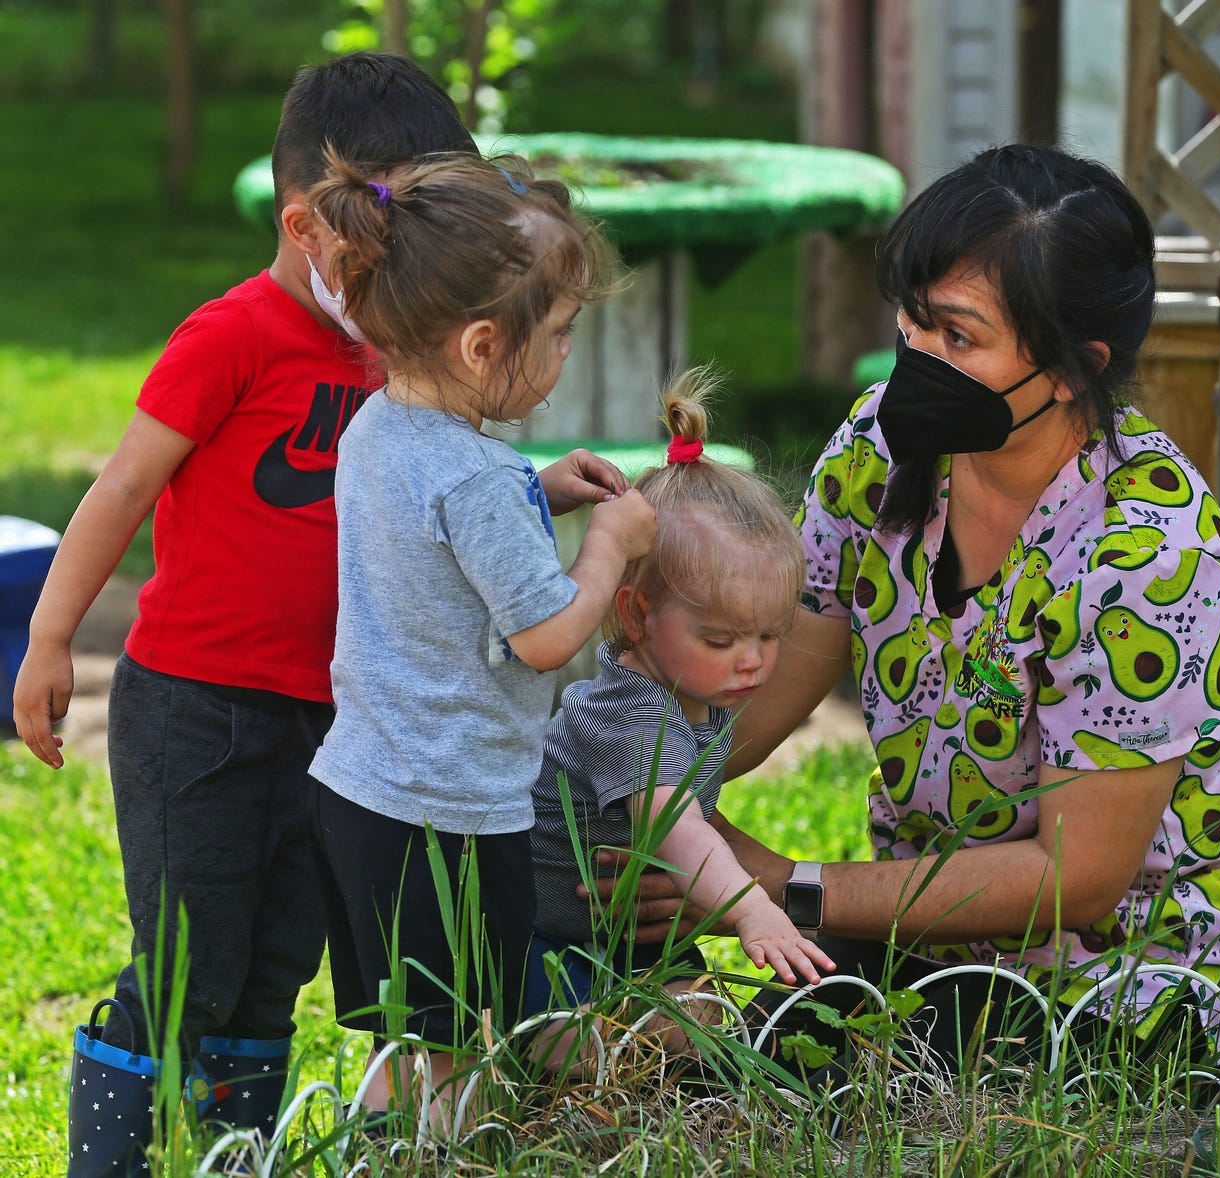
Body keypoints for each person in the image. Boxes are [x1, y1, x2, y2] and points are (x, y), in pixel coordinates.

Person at [605, 143, 1220, 1082]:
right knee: (708, 1044)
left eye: (957, 338)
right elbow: (758, 686)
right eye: (913, 322)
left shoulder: (1151, 560)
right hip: (939, 949)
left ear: (1073, 369)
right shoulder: (881, 449)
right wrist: (648, 806)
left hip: (1129, 984)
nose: (916, 359)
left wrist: (783, 887)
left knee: (772, 1065)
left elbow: (1073, 879)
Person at [10, 52, 488, 1178]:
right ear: (305, 224)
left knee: (280, 956)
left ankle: (234, 1155)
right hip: (197, 712)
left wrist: (541, 487)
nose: (414, 267)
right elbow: (120, 489)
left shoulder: (399, 354)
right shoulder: (233, 336)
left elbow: (447, 483)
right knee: (187, 954)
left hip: (330, 721)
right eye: (396, 235)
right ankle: (113, 1162)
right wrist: (43, 639)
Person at [303, 148, 656, 1135]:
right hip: (448, 818)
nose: (567, 354)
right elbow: (546, 635)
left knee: (411, 1040)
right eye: (560, 332)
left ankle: (377, 1148)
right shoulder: (479, 480)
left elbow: (433, 540)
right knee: (458, 1046)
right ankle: (429, 1160)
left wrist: (540, 493)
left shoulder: (376, 427)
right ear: (479, 345)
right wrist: (610, 547)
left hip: (363, 792)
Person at [524, 369, 835, 1050]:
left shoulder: (693, 692)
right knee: (651, 1039)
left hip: (626, 938)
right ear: (636, 615)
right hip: (542, 944)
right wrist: (755, 909)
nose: (750, 660)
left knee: (709, 1027)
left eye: (768, 635)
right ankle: (536, 1049)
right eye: (721, 639)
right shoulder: (630, 711)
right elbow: (679, 831)